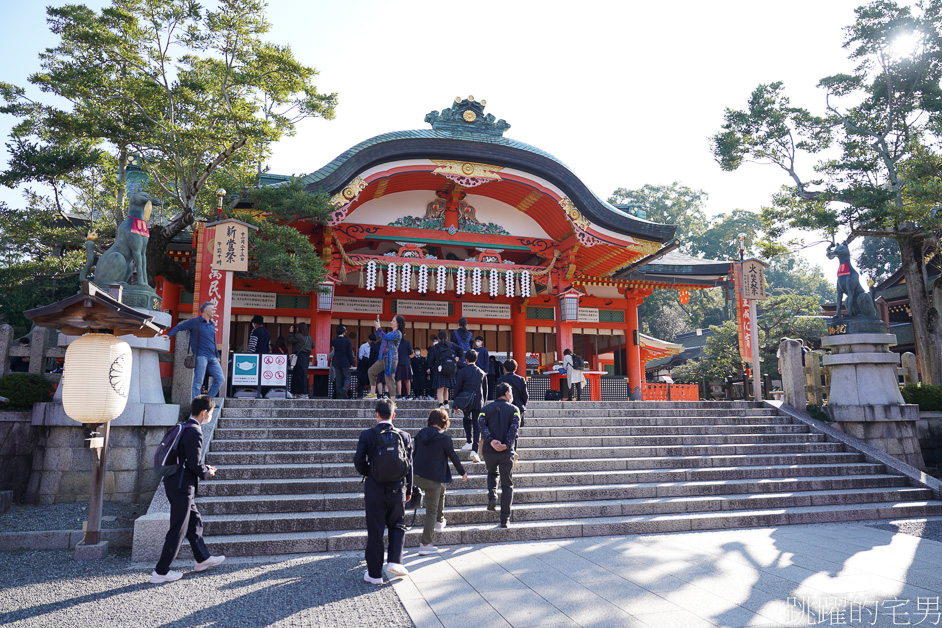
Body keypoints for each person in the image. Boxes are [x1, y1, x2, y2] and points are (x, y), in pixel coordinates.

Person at [150, 395, 225, 583]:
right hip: (182, 485)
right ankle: (161, 572)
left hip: (176, 481)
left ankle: (202, 558)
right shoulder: (195, 431)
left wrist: (204, 469)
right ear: (203, 412)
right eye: (211, 412)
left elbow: (188, 459)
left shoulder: (184, 426)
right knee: (178, 528)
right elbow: (194, 463)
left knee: (194, 521)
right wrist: (208, 471)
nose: (210, 416)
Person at [352, 399, 413, 584]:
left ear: (376, 414)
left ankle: (374, 575)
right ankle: (395, 561)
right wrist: (409, 489)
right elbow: (410, 465)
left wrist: (367, 473)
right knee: (397, 524)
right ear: (394, 415)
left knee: (375, 530)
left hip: (374, 488)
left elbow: (358, 460)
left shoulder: (368, 435)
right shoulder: (404, 436)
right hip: (397, 487)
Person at [413, 408, 468, 555]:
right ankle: (425, 544)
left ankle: (439, 520)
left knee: (442, 489)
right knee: (431, 511)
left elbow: (413, 454)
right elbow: (453, 456)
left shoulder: (420, 434)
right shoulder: (444, 438)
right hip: (432, 480)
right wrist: (462, 472)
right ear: (444, 422)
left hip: (416, 476)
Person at [478, 382, 520, 528]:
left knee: (491, 473)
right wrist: (506, 444)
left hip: (489, 451)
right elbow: (514, 429)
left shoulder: (485, 409)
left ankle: (492, 496)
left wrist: (490, 440)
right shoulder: (514, 409)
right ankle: (505, 519)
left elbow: (481, 424)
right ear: (507, 394)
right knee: (507, 485)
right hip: (506, 452)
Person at [167, 302, 225, 399]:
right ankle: (196, 404)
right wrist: (168, 335)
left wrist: (217, 355)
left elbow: (213, 341)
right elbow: (179, 327)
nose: (215, 311)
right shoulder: (195, 322)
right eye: (213, 309)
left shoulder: (211, 324)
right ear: (206, 310)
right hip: (201, 356)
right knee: (198, 382)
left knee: (220, 379)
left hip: (213, 357)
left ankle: (206, 401)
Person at [455, 348, 487, 463]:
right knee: (476, 425)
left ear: (466, 359)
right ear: (476, 359)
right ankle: (474, 449)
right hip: (478, 401)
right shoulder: (482, 373)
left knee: (466, 419)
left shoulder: (462, 372)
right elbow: (485, 391)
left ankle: (469, 441)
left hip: (465, 401)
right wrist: (484, 404)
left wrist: (455, 404)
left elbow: (457, 387)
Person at [367, 315, 405, 401]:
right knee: (371, 371)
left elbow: (384, 337)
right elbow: (381, 336)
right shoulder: (391, 333)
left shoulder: (398, 333)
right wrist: (377, 327)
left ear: (397, 323)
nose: (391, 322)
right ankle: (373, 394)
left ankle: (392, 401)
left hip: (391, 359)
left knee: (389, 379)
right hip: (382, 358)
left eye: (393, 321)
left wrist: (379, 327)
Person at [428, 330, 459, 409]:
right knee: (446, 388)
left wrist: (430, 367)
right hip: (449, 369)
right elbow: (460, 350)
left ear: (438, 338)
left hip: (439, 369)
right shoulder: (451, 345)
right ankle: (446, 403)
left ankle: (441, 404)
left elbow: (431, 360)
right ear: (447, 338)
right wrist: (457, 358)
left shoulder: (435, 347)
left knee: (440, 388)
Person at [497, 359, 529, 430]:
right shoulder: (521, 379)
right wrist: (522, 404)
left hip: (503, 406)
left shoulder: (500, 380)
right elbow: (525, 395)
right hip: (518, 405)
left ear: (504, 368)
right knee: (515, 429)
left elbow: (498, 395)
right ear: (516, 368)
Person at [287, 323, 313, 398]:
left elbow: (289, 340)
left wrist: (290, 332)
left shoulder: (298, 336)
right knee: (304, 374)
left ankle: (295, 392)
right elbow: (313, 345)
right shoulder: (309, 337)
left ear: (299, 328)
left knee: (296, 374)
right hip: (306, 357)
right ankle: (304, 393)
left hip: (299, 356)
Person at [330, 325, 355, 400]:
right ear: (344, 332)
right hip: (345, 362)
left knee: (338, 379)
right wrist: (351, 362)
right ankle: (345, 389)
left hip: (336, 362)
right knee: (347, 377)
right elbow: (349, 353)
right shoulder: (347, 341)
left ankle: (339, 395)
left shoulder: (334, 341)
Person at [397, 333, 413, 400]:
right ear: (405, 334)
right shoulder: (407, 342)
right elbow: (411, 352)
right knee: (407, 379)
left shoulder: (396, 343)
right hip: (406, 362)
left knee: (398, 379)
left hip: (398, 362)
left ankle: (399, 395)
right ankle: (409, 395)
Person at [368, 332, 384, 398]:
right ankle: (387, 393)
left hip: (377, 364)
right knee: (387, 380)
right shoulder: (386, 345)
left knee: (379, 380)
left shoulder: (374, 346)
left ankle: (378, 394)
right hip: (386, 363)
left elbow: (371, 357)